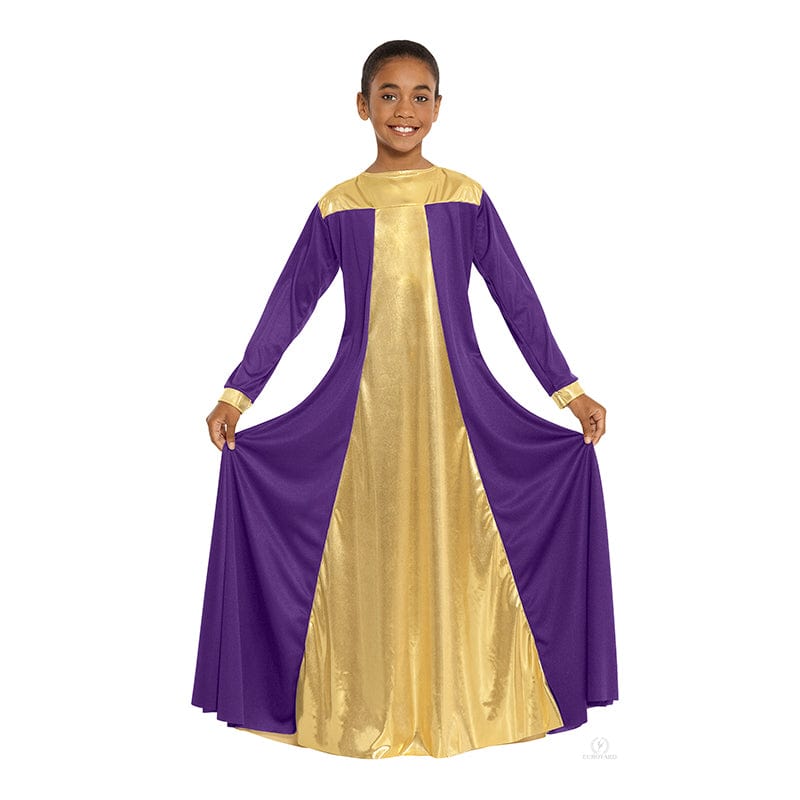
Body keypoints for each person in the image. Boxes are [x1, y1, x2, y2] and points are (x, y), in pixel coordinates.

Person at [192, 39, 618, 759]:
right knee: (368, 555)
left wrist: (567, 392)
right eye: (389, 95)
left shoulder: (464, 197)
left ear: (439, 109)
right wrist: (240, 392)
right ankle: (367, 701)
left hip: (460, 411)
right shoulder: (340, 205)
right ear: (362, 106)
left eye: (420, 96)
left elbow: (516, 298)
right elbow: (291, 303)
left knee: (459, 548)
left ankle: (459, 701)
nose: (404, 109)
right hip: (362, 417)